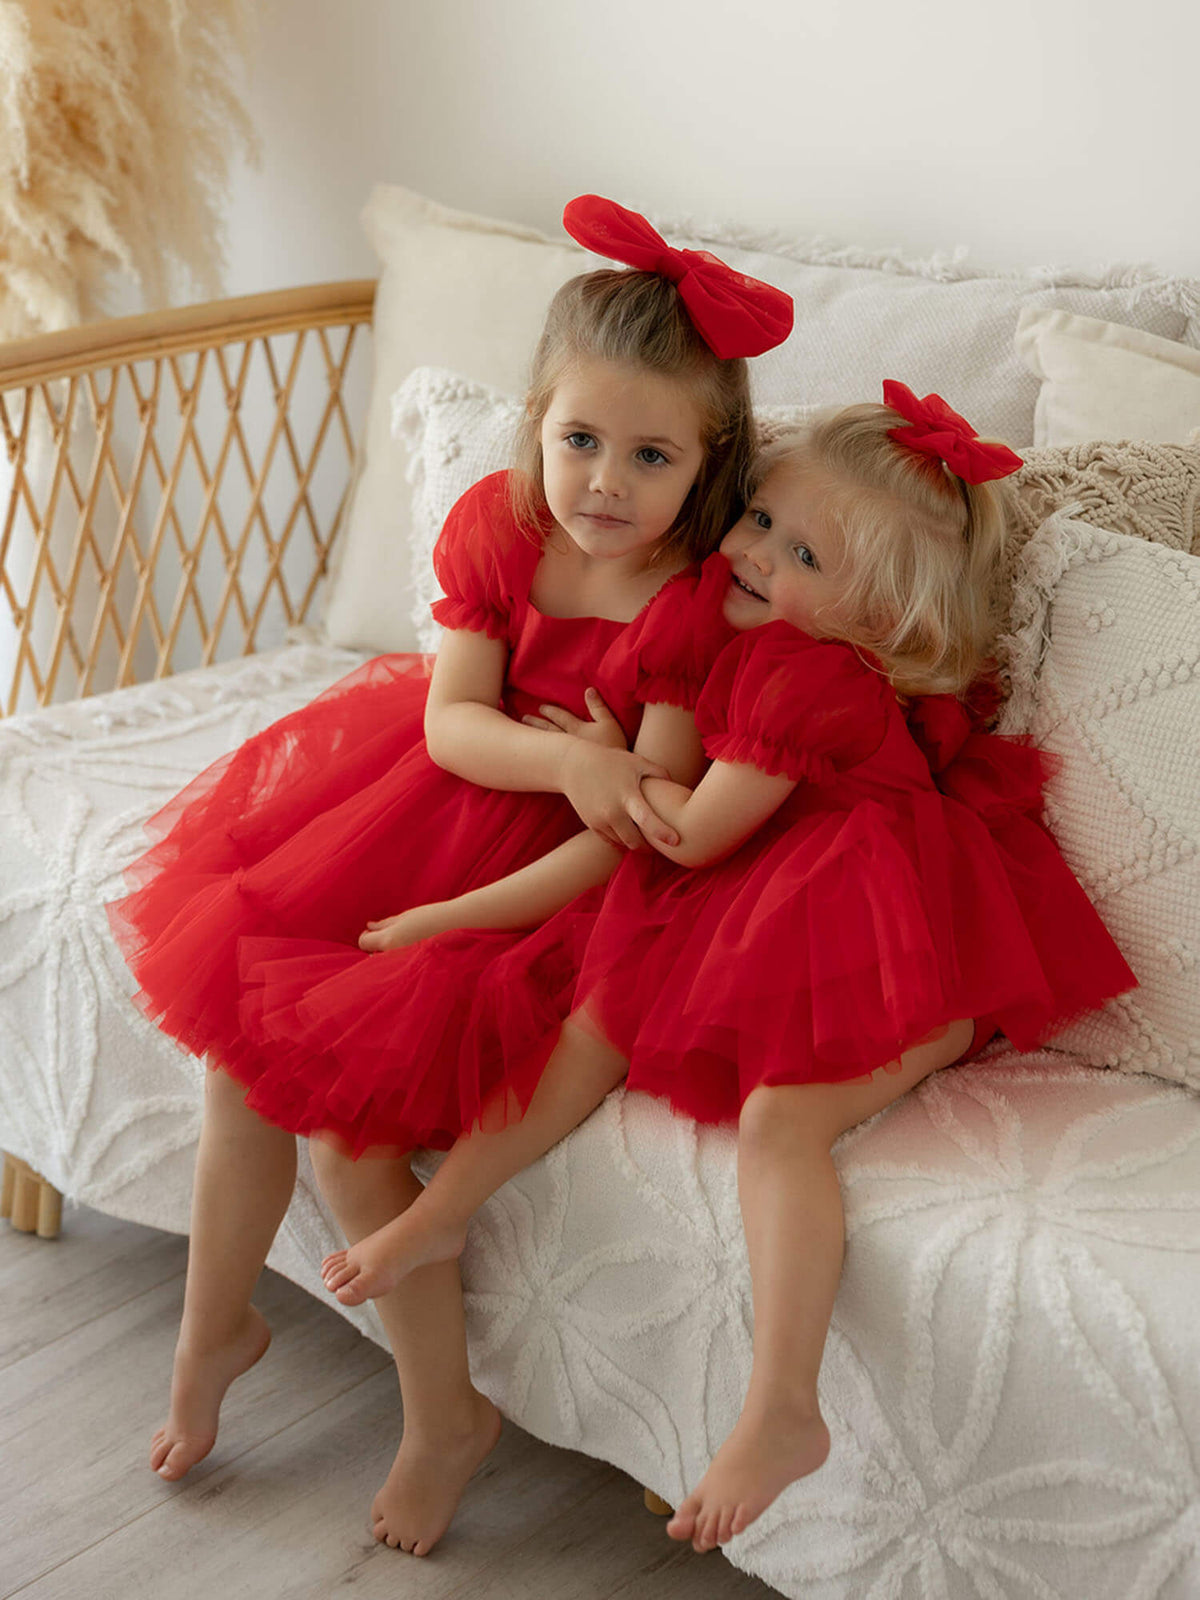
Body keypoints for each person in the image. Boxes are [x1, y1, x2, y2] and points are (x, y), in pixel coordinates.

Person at [315, 383, 1137, 1551]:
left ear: (881, 620)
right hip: (769, 887)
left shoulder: (815, 678)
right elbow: (666, 838)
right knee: (595, 1020)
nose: (750, 551)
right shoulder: (738, 625)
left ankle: (783, 1406)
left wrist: (598, 765)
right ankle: (444, 1211)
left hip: (904, 922)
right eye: (758, 518)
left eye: (800, 553)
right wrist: (479, 891)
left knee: (779, 1123)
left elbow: (686, 837)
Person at [104, 193, 792, 1556]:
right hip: (440, 801)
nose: (604, 479)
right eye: (579, 438)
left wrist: (606, 788)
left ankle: (444, 1415)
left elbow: (644, 820)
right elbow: (450, 723)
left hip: (565, 890)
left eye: (649, 456)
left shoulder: (692, 594)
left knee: (355, 1137)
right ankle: (214, 1327)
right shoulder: (500, 527)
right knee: (241, 1047)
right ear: (536, 421)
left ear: (709, 468)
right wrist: (577, 765)